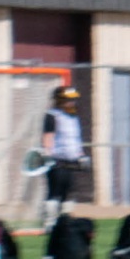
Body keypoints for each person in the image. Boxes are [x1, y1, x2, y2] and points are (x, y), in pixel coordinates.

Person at [40, 84, 89, 226]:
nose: (72, 102)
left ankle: (66, 222)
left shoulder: (73, 117)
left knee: (69, 192)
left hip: (71, 160)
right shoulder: (52, 116)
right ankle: (50, 223)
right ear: (59, 100)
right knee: (55, 192)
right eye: (68, 100)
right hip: (57, 160)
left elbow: (75, 139)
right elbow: (48, 137)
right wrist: (47, 156)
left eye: (73, 100)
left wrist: (81, 155)